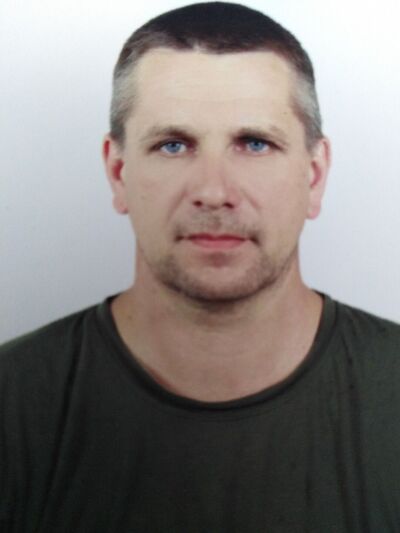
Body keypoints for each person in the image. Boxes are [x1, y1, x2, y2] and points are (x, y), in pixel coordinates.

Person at [1, 2, 399, 531]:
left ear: (314, 175)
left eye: (254, 143)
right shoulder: (12, 404)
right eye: (173, 145)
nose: (214, 191)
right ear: (118, 173)